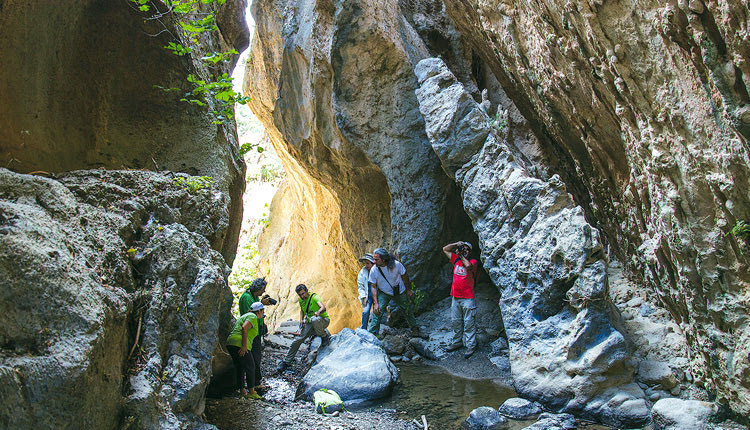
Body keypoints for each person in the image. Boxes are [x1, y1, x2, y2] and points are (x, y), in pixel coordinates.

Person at [276, 284, 330, 373]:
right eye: (300, 294)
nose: (302, 296)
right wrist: (301, 320)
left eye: (303, 293)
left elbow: (323, 307)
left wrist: (318, 312)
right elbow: (302, 310)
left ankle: (324, 336)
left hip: (322, 320)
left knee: (314, 319)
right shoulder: (301, 300)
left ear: (307, 290)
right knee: (298, 340)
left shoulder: (314, 297)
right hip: (311, 323)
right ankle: (286, 362)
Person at [368, 248, 416, 337]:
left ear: (384, 259)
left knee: (407, 309)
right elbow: (373, 286)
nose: (374, 262)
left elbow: (405, 276)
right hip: (384, 292)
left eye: (376, 259)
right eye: (374, 259)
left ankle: (415, 329)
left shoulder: (396, 265)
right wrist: (376, 303)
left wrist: (408, 289)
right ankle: (373, 335)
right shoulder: (374, 270)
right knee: (377, 311)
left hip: (399, 291)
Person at [237, 278, 274, 393]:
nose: (263, 291)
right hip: (251, 333)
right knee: (252, 359)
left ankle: (254, 383)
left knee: (256, 357)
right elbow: (250, 314)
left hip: (255, 332)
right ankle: (253, 385)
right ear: (257, 289)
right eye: (262, 289)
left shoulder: (254, 297)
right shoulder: (246, 298)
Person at [443, 241, 478, 358]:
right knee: (456, 321)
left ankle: (471, 346)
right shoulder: (456, 260)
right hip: (456, 297)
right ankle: (457, 342)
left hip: (468, 298)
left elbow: (468, 266)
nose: (465, 251)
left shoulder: (473, 262)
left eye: (467, 249)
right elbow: (445, 249)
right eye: (464, 248)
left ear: (470, 252)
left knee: (469, 323)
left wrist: (461, 255)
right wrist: (456, 244)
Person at [226, 302, 265, 399]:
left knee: (240, 367)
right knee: (251, 366)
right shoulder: (252, 316)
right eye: (262, 311)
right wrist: (244, 346)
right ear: (259, 311)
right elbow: (244, 328)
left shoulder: (247, 315)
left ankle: (242, 391)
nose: (263, 313)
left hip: (231, 342)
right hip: (239, 343)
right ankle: (251, 392)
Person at [357, 253, 375, 330]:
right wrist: (363, 297)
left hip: (376, 295)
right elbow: (360, 285)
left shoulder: (377, 271)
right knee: (365, 312)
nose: (366, 265)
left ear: (372, 263)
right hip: (368, 296)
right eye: (365, 263)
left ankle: (374, 330)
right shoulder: (363, 271)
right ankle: (364, 329)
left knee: (376, 313)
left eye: (368, 263)